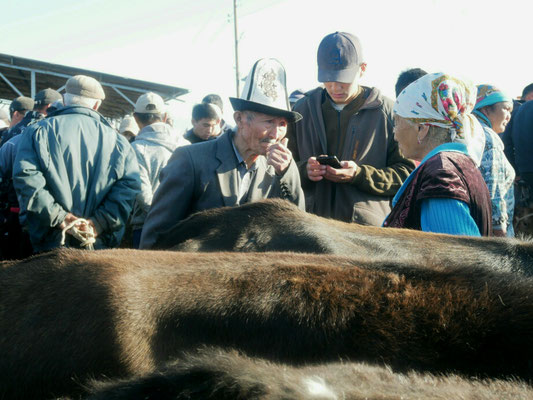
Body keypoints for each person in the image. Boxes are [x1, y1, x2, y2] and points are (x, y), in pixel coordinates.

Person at [140, 58, 305, 249]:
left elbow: (297, 225)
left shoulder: (278, 168)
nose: (276, 134)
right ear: (240, 119)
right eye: (269, 122)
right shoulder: (191, 160)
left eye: (282, 124)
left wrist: (287, 174)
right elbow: (156, 235)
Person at [287, 32, 415, 225]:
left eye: (342, 79)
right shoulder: (302, 110)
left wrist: (360, 175)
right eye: (328, 79)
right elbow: (282, 169)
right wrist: (304, 170)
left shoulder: (388, 112)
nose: (335, 87)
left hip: (365, 234)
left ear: (362, 69)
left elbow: (407, 174)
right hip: (311, 229)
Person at [12, 75, 141, 253]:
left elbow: (27, 179)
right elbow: (129, 187)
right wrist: (98, 223)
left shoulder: (37, 132)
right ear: (97, 105)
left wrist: (61, 219)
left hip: (50, 243)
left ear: (64, 99)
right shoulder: (120, 143)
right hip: (97, 244)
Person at [383, 73, 491, 236]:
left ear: (422, 128)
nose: (395, 133)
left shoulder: (441, 174)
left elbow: (456, 253)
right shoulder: (458, 163)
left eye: (397, 122)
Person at [0, 89, 63, 259]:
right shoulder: (56, 140)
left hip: (12, 217)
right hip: (50, 221)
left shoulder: (10, 138)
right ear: (51, 107)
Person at [130, 92, 189, 248]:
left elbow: (143, 196)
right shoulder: (186, 145)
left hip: (146, 227)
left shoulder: (136, 149)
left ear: (135, 118)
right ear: (164, 117)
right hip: (181, 227)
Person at [471, 85, 516, 237]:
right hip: (493, 234)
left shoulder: (471, 132)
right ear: (485, 109)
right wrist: (500, 234)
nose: (509, 116)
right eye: (506, 109)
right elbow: (493, 190)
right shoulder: (489, 139)